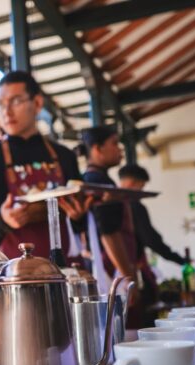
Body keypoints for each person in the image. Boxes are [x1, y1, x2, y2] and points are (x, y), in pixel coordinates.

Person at [0, 71, 90, 262]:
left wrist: (78, 217)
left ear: (37, 103)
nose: (6, 111)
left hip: (63, 270)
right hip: (9, 277)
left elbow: (82, 227)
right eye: (1, 104)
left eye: (15, 101)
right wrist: (1, 219)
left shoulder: (64, 156)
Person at [80, 126, 140, 325]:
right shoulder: (97, 183)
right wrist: (127, 276)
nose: (120, 149)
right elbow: (109, 233)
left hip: (111, 268)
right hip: (110, 271)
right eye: (115, 143)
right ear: (97, 148)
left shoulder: (98, 180)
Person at [119, 164, 187, 326]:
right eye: (142, 186)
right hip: (132, 271)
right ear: (132, 183)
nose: (142, 192)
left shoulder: (110, 203)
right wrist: (181, 260)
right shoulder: (134, 206)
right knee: (143, 319)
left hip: (112, 274)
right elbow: (151, 240)